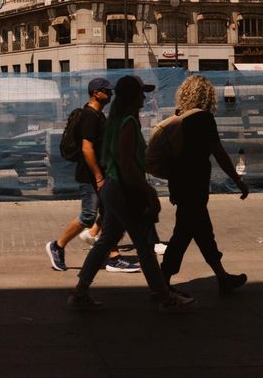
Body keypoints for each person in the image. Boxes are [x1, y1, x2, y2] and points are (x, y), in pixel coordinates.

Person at [68, 75, 194, 313]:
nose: (144, 98)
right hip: (125, 190)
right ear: (131, 96)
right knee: (145, 246)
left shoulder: (115, 120)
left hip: (113, 188)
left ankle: (80, 291)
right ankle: (164, 297)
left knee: (105, 242)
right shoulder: (128, 122)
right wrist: (146, 191)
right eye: (140, 93)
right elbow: (127, 163)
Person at [159, 75, 250, 296]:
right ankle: (161, 282)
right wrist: (237, 180)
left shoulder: (178, 117)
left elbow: (173, 157)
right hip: (195, 184)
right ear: (207, 95)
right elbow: (218, 152)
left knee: (202, 232)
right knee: (183, 234)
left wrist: (173, 187)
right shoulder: (203, 119)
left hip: (181, 184)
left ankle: (222, 277)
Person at [46, 78, 139, 274]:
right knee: (89, 216)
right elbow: (87, 149)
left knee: (109, 214)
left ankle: (114, 258)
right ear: (96, 93)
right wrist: (98, 177)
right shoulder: (89, 116)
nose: (111, 94)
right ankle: (57, 245)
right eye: (107, 91)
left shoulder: (98, 115)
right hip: (90, 175)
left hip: (100, 173)